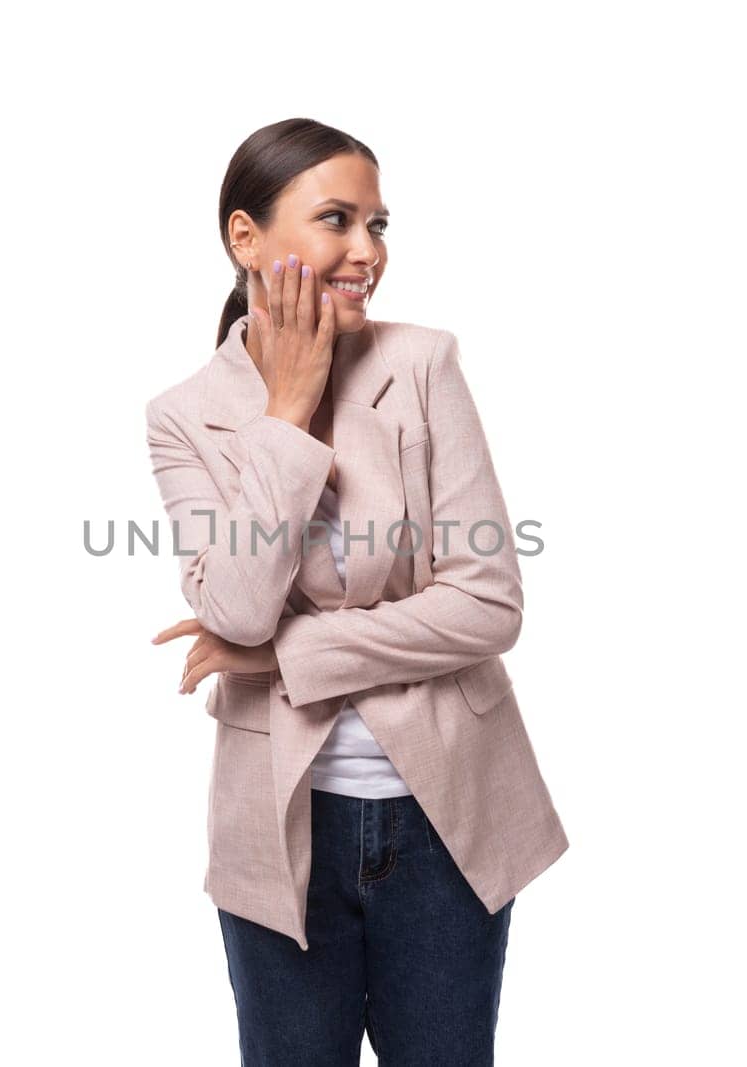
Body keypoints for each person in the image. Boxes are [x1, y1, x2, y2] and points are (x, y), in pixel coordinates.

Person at [147, 118, 568, 1066]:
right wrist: (288, 409)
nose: (367, 252)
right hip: (279, 830)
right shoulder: (182, 417)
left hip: (446, 825)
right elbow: (238, 608)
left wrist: (286, 657)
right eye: (337, 219)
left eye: (379, 224)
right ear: (244, 238)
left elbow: (490, 601)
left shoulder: (420, 364)